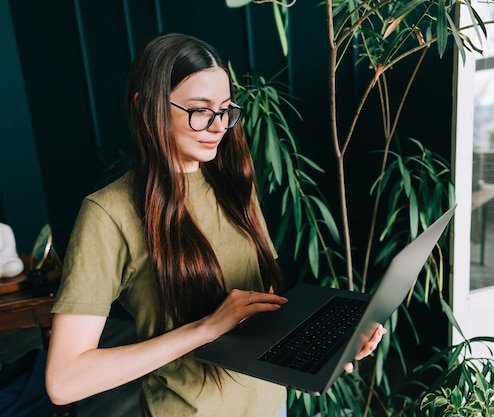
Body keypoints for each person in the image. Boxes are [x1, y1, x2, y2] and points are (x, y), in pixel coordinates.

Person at [45, 32, 385, 417]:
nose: (219, 126)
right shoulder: (109, 214)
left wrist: (324, 348)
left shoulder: (233, 183)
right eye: (200, 110)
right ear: (147, 108)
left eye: (225, 110)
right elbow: (64, 381)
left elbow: (259, 308)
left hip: (272, 408)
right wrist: (206, 328)